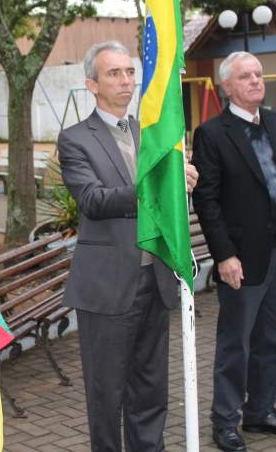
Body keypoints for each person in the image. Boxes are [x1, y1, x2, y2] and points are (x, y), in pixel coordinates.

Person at [57, 41, 198, 451]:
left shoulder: (152, 133)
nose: (126, 81)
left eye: (129, 72)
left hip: (155, 278)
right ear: (92, 85)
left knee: (150, 390)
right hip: (107, 289)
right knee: (106, 396)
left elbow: (167, 205)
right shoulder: (75, 139)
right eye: (113, 74)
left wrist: (181, 185)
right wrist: (155, 187)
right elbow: (94, 200)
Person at [191, 51, 276, 452]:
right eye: (245, 76)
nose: (256, 81)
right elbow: (207, 200)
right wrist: (223, 255)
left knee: (271, 337)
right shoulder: (212, 134)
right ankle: (224, 422)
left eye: (258, 74)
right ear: (227, 86)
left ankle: (262, 410)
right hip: (241, 257)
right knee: (235, 343)